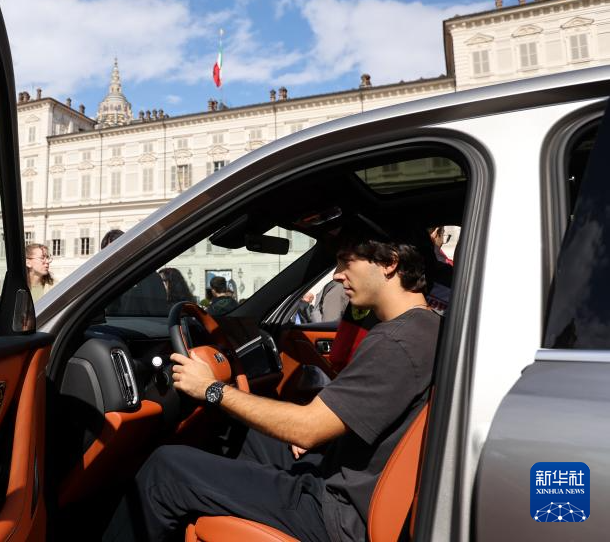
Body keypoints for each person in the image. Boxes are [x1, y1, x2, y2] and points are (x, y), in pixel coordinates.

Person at [103, 226, 440, 542]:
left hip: (337, 512)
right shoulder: (424, 329)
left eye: (345, 261)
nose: (337, 274)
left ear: (389, 263)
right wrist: (319, 431)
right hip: (351, 479)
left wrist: (211, 389)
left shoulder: (396, 342)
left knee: (166, 470)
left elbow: (307, 430)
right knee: (244, 435)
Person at [101, 230, 167, 316]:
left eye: (114, 251)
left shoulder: (145, 275)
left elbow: (156, 312)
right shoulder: (113, 279)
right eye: (106, 254)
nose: (110, 258)